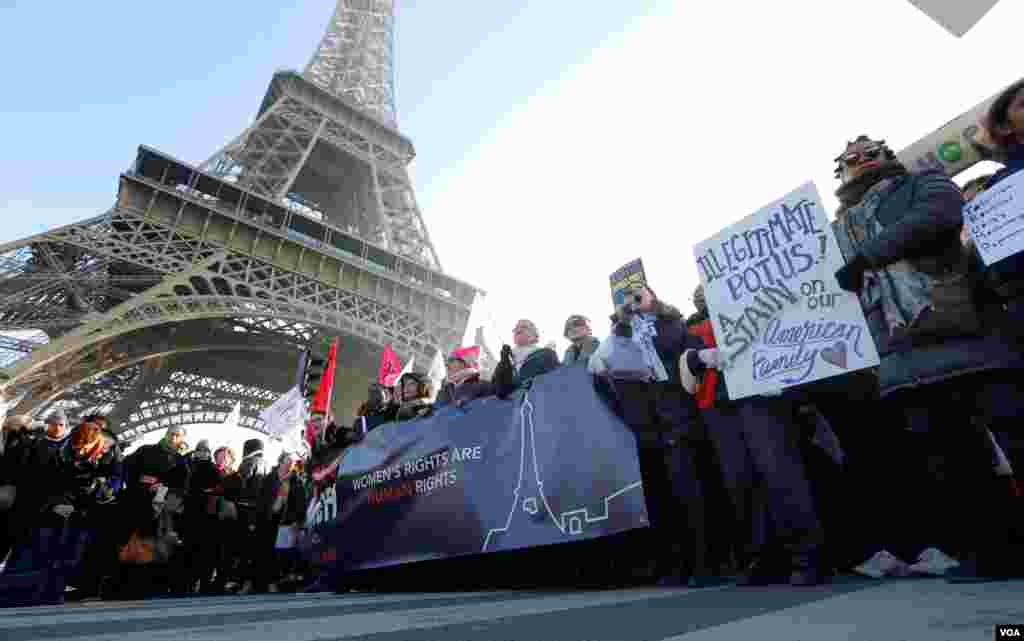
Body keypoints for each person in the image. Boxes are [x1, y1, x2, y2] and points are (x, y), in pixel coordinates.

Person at [832, 134, 1023, 583]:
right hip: (900, 357)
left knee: (1006, 442)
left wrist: (867, 256)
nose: (862, 160)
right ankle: (990, 553)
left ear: (888, 155)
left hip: (962, 334)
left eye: (871, 153)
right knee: (951, 459)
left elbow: (940, 213)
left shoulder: (922, 183)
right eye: (851, 159)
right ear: (841, 171)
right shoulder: (836, 227)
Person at [684, 284, 825, 586]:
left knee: (779, 473)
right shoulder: (691, 326)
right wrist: (700, 358)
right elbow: (684, 372)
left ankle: (805, 555)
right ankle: (762, 558)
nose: (701, 296)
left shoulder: (757, 304)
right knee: (741, 481)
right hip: (719, 405)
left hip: (760, 396)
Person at [492, 319, 560, 398]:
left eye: (524, 327)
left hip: (535, 398)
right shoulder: (506, 356)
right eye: (516, 328)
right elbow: (495, 386)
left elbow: (555, 379)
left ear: (534, 334)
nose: (518, 329)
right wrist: (504, 362)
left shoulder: (546, 354)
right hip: (508, 401)